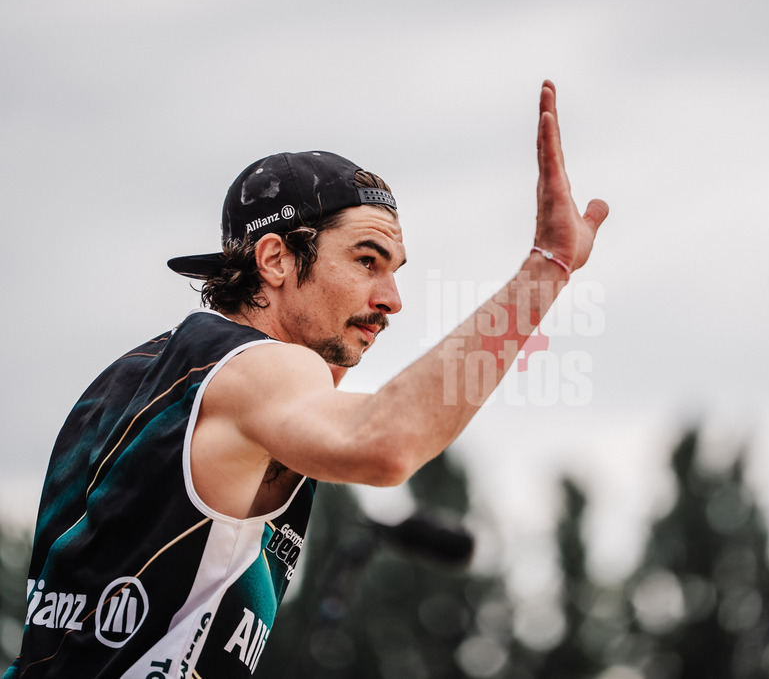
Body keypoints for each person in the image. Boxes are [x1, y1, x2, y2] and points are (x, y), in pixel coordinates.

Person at [5, 80, 608, 679]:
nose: (393, 299)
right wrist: (546, 267)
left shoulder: (133, 380)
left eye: (394, 271)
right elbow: (385, 443)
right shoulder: (261, 367)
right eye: (367, 261)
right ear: (275, 260)